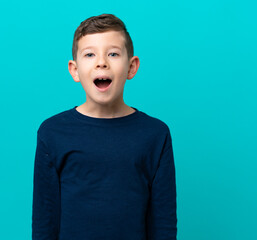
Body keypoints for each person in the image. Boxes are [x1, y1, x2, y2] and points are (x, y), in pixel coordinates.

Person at [32, 13, 177, 240]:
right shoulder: (52, 133)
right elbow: (45, 221)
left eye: (113, 53)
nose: (102, 62)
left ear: (131, 67)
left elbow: (163, 224)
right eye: (90, 54)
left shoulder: (155, 135)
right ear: (75, 70)